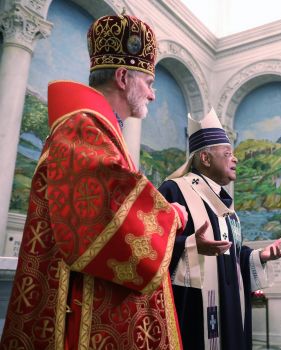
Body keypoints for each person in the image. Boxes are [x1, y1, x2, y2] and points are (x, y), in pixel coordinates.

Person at [0, 14, 192, 349]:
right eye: (148, 82)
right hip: (77, 313)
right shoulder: (82, 128)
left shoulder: (96, 130)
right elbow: (110, 214)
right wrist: (171, 216)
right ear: (122, 77)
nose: (152, 95)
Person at [159, 109, 281, 350]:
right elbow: (154, 243)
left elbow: (230, 254)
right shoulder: (174, 191)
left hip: (231, 304)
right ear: (206, 159)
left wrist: (257, 256)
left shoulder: (223, 201)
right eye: (227, 153)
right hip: (194, 309)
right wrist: (190, 245)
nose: (235, 159)